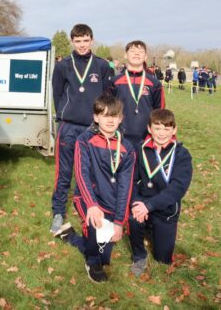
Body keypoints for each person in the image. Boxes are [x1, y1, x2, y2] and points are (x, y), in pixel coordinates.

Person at [54, 95, 135, 283]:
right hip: (87, 199)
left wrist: (119, 221)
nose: (109, 120)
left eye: (114, 116)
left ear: (121, 118)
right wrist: (91, 205)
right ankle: (91, 262)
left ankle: (71, 236)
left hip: (111, 203)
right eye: (104, 115)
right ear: (96, 117)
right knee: (98, 256)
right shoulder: (84, 140)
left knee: (105, 255)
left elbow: (125, 186)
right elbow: (81, 174)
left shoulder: (127, 148)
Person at [50, 23, 112, 234]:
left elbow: (107, 98)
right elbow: (57, 94)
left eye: (86, 40)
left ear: (92, 41)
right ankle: (58, 212)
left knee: (89, 172)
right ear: (72, 41)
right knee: (64, 173)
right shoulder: (62, 66)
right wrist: (66, 116)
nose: (82, 45)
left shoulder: (102, 66)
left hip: (92, 128)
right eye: (78, 41)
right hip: (68, 128)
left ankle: (84, 205)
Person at [129, 109, 192, 276]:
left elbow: (177, 189)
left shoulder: (182, 154)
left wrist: (149, 206)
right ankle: (139, 255)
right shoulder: (139, 149)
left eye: (166, 128)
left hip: (166, 210)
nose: (162, 133)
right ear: (149, 129)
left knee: (163, 259)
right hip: (142, 202)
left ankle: (153, 230)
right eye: (157, 128)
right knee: (133, 219)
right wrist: (136, 204)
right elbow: (133, 181)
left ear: (174, 130)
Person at [111, 41, 164, 149]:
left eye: (140, 51)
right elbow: (108, 111)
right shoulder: (114, 82)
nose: (136, 54)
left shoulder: (154, 83)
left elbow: (160, 112)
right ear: (125, 55)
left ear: (145, 56)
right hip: (120, 137)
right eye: (133, 51)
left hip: (146, 138)